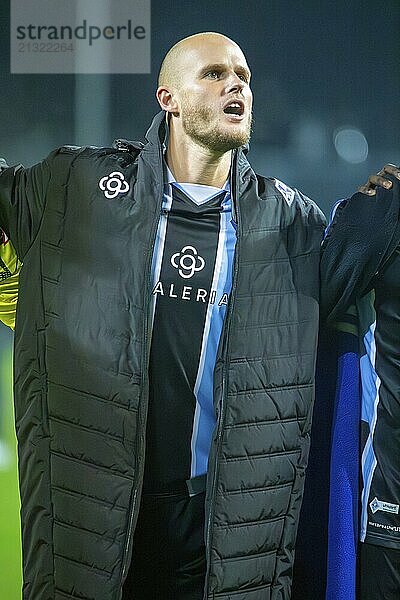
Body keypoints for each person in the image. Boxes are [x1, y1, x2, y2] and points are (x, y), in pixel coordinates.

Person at [0, 32, 396, 600]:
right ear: (169, 98)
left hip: (222, 527)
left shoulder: (289, 225)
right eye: (213, 73)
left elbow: (346, 302)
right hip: (102, 516)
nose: (236, 83)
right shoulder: (76, 189)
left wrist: (377, 210)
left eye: (243, 76)